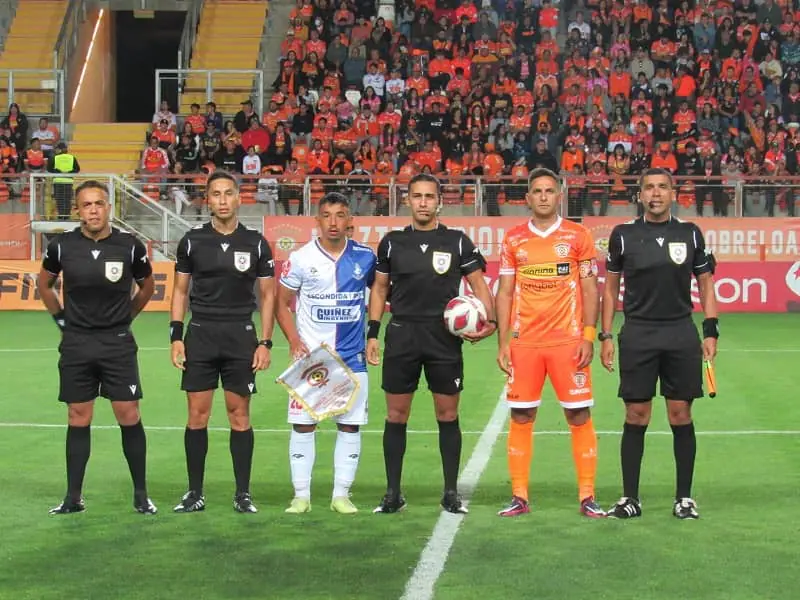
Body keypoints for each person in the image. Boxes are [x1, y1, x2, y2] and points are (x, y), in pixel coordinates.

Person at [366, 173, 497, 514]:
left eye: (429, 196)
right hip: (403, 334)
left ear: (439, 201)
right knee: (396, 414)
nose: (423, 202)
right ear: (407, 200)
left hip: (443, 338)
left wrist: (491, 320)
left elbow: (479, 284)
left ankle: (451, 492)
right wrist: (373, 333)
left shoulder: (457, 241)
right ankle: (393, 493)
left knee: (448, 413)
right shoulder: (392, 242)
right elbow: (379, 289)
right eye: (417, 196)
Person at [600, 167, 719, 520]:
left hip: (680, 332)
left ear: (673, 194)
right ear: (640, 195)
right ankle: (630, 498)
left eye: (662, 187)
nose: (655, 193)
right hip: (638, 333)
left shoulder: (690, 234)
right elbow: (609, 288)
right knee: (636, 413)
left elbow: (707, 284)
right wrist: (606, 336)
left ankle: (684, 498)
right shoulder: (623, 235)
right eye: (649, 187)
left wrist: (710, 330)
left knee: (680, 413)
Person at [36, 180, 157, 515]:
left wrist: (129, 314)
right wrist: (61, 321)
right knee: (78, 416)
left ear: (109, 208)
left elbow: (147, 285)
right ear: (78, 210)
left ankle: (141, 494)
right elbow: (44, 282)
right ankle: (73, 497)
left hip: (117, 343)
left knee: (128, 413)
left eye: (99, 204)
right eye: (87, 205)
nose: (93, 210)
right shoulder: (62, 246)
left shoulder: (129, 246)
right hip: (77, 343)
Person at [495, 168, 605, 519]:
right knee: (522, 413)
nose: (543, 196)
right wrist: (502, 344)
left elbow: (590, 288)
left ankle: (587, 496)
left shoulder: (578, 236)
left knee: (578, 413)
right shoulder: (513, 239)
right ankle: (519, 496)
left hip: (568, 342)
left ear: (560, 196)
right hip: (524, 342)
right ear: (527, 199)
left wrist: (589, 335)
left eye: (549, 191)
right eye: (537, 191)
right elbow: (506, 292)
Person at [170, 170, 276, 514]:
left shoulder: (256, 242)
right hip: (199, 334)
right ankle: (194, 492)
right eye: (215, 194)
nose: (222, 200)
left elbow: (268, 295)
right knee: (197, 416)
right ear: (208, 199)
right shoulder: (192, 240)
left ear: (239, 197)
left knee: (239, 416)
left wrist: (265, 342)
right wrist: (176, 335)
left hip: (239, 337)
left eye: (228, 193)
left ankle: (242, 494)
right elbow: (180, 291)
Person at [275, 192, 377, 515]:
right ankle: (301, 495)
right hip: (312, 361)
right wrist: (293, 341)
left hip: (352, 359)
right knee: (303, 426)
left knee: (350, 427)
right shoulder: (302, 258)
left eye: (340, 215)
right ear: (318, 221)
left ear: (350, 222)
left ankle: (341, 495)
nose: (333, 222)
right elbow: (281, 302)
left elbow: (380, 292)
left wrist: (373, 333)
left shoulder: (365, 257)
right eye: (327, 215)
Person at [47, 142, 80, 220]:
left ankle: (61, 215)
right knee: (67, 199)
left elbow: (49, 169)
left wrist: (58, 172)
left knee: (59, 199)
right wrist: (68, 173)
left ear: (59, 149)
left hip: (58, 182)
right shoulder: (72, 158)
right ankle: (67, 215)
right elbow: (77, 169)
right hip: (68, 181)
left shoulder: (54, 158)